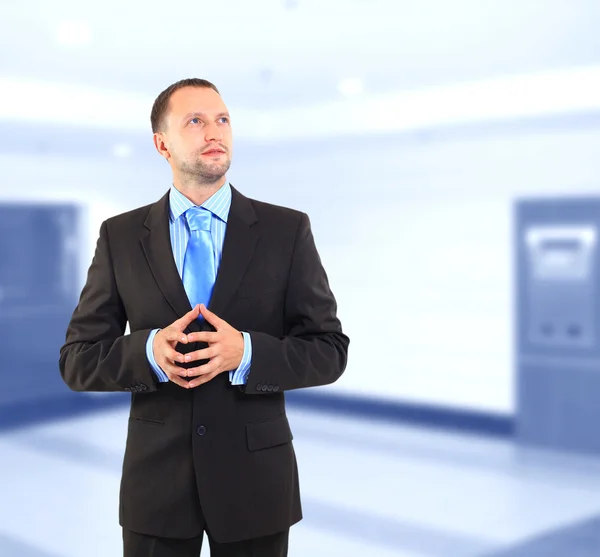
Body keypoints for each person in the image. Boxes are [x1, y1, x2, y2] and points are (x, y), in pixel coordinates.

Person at [58, 78, 350, 557]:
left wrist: (248, 353)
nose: (214, 131)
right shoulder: (121, 236)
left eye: (222, 119)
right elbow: (76, 360)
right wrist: (147, 353)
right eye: (195, 121)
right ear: (162, 144)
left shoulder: (286, 230)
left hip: (257, 485)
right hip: (156, 489)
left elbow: (329, 351)